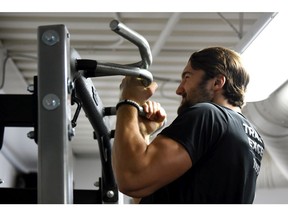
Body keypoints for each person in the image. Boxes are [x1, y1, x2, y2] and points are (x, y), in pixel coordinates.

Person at [112, 46, 265, 204]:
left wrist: (128, 100)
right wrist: (143, 133)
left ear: (217, 82)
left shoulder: (208, 114)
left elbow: (131, 179)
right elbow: (142, 190)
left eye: (187, 77)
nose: (179, 90)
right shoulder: (252, 137)